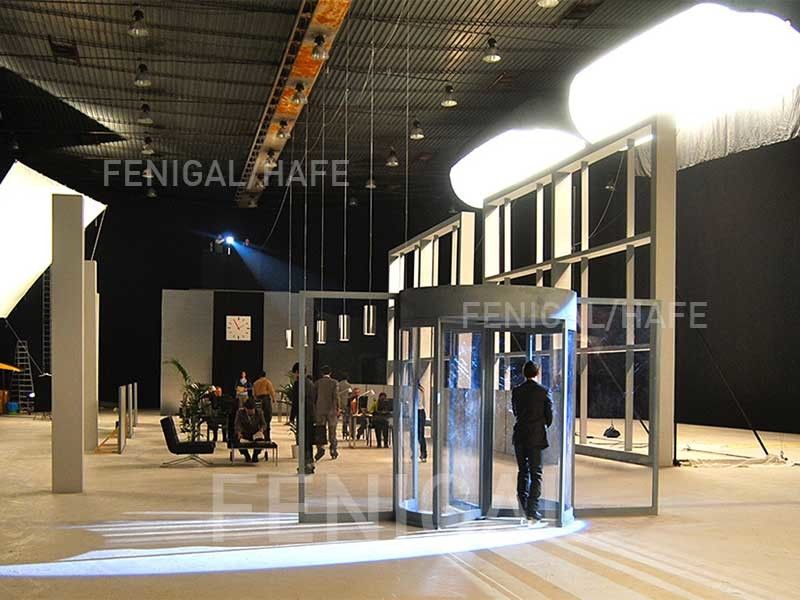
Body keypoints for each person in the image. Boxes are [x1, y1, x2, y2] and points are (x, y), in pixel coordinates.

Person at [512, 360, 553, 522]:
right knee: (536, 474)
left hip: (520, 436)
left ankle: (522, 506)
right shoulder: (543, 391)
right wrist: (540, 424)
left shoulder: (517, 391)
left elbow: (516, 412)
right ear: (537, 373)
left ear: (524, 373)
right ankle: (532, 509)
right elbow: (549, 417)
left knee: (523, 471)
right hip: (536, 437)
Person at [291, 362, 316, 474]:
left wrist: (292, 417)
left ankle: (304, 465)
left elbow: (296, 402)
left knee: (302, 441)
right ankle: (310, 464)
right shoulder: (311, 383)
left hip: (302, 416)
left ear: (297, 372)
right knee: (308, 441)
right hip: (311, 415)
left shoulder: (298, 384)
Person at [314, 365, 339, 461]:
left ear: (321, 373)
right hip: (331, 410)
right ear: (330, 373)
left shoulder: (318, 383)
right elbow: (336, 396)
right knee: (332, 431)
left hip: (320, 410)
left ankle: (320, 448)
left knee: (320, 430)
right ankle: (333, 449)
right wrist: (338, 408)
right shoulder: (334, 383)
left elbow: (314, 397)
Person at [234, 398, 268, 463]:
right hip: (245, 433)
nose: (251, 412)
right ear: (245, 409)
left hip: (255, 433)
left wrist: (261, 430)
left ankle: (255, 455)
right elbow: (237, 424)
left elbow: (264, 424)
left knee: (261, 439)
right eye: (249, 410)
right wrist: (239, 432)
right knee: (237, 439)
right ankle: (246, 455)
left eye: (252, 410)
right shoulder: (240, 413)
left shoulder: (259, 412)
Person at [252, 371, 275, 440]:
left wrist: (255, 400)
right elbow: (271, 390)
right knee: (267, 416)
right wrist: (273, 398)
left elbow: (254, 394)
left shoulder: (255, 383)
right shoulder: (267, 381)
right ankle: (267, 436)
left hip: (258, 400)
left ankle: (259, 435)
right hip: (265, 399)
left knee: (259, 416)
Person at [336, 372, 353, 439]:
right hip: (346, 403)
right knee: (345, 419)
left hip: (339, 403)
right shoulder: (348, 385)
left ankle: (335, 431)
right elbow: (350, 394)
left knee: (336, 419)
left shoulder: (338, 384)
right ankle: (345, 431)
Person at [416, 383, 428, 462]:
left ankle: (423, 453)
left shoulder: (418, 391)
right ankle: (423, 453)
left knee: (420, 435)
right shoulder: (421, 390)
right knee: (419, 435)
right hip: (421, 411)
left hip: (419, 411)